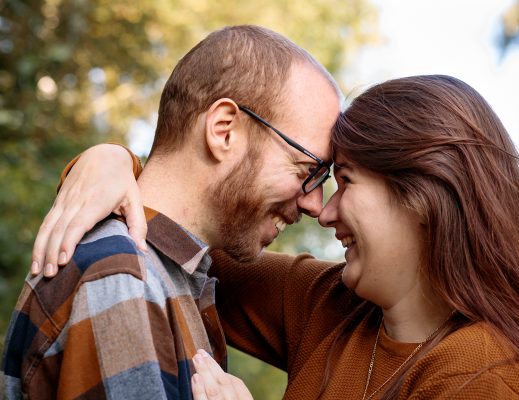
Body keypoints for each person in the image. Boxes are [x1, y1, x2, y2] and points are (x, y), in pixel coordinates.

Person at [17, 75, 519, 399]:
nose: (321, 211)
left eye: (342, 181)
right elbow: (188, 225)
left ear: (425, 198)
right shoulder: (328, 304)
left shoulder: (487, 378)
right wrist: (111, 162)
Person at [1, 25, 340, 399]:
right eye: (307, 170)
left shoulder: (174, 275)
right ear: (224, 131)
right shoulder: (124, 281)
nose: (315, 204)